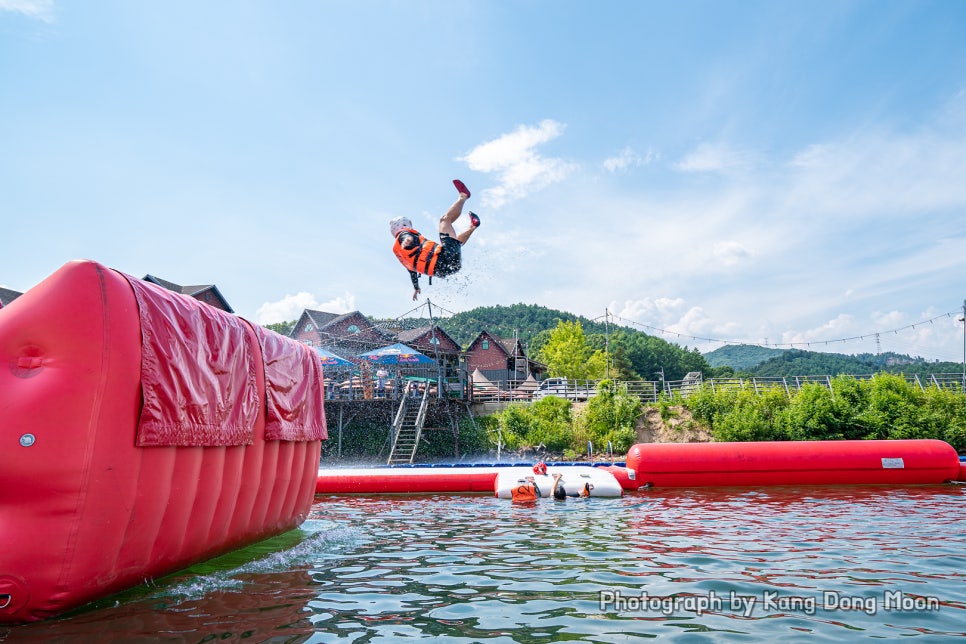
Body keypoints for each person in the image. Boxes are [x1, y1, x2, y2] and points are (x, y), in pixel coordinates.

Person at [389, 180, 481, 300]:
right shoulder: (404, 234)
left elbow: (412, 273)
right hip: (444, 258)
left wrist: (416, 288)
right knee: (444, 220)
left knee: (454, 243)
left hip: (446, 270)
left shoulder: (401, 254)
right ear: (403, 224)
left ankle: (473, 226)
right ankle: (463, 196)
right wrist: (408, 239)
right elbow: (407, 237)